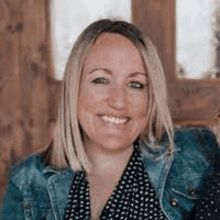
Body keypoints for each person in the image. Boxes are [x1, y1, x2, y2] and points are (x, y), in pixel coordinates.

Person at [1, 19, 219, 220]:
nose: (118, 101)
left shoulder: (196, 155)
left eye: (136, 84)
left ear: (152, 96)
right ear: (74, 89)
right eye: (101, 80)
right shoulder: (28, 181)